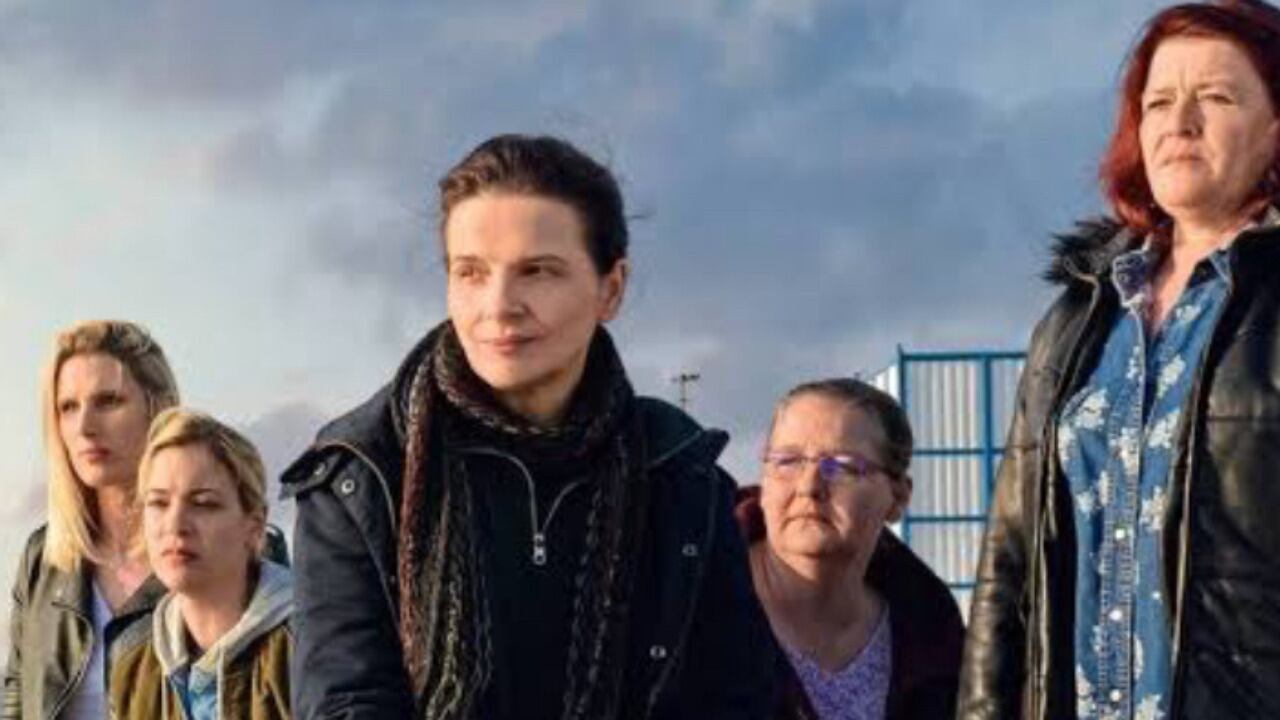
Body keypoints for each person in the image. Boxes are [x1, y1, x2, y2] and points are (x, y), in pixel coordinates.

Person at [284, 133, 776, 719]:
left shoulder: (680, 474)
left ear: (611, 288)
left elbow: (734, 698)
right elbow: (346, 700)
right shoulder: (363, 471)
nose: (499, 305)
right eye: (471, 272)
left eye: (538, 271)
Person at [958, 2, 1280, 718]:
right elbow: (1007, 571)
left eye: (1216, 97)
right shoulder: (1075, 319)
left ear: (1274, 129)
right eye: (1158, 102)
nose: (1179, 122)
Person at [736, 379, 963, 720]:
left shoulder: (932, 641)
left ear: (898, 497)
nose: (809, 486)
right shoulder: (694, 614)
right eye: (788, 461)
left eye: (841, 467)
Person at [3, 320, 180, 719]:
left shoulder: (228, 543)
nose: (85, 427)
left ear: (158, 408)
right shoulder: (43, 558)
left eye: (108, 401)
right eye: (68, 407)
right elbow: (16, 698)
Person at [109, 408, 292, 719]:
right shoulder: (132, 662)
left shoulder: (309, 644)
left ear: (254, 526)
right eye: (159, 503)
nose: (175, 524)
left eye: (204, 504)